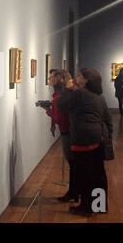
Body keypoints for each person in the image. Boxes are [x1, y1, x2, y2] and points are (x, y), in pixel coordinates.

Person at [57, 68, 109, 216]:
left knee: (85, 174)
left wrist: (67, 90)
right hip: (97, 137)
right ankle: (100, 205)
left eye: (79, 76)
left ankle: (86, 207)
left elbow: (61, 105)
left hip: (83, 138)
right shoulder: (97, 95)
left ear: (86, 80)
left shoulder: (80, 94)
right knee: (98, 174)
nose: (76, 77)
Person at [41, 69, 78, 202]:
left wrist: (48, 111)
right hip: (70, 132)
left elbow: (60, 119)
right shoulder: (63, 96)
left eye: (51, 77)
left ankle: (74, 192)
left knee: (73, 163)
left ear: (59, 80)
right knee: (74, 164)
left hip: (67, 133)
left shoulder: (59, 98)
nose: (49, 78)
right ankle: (74, 192)